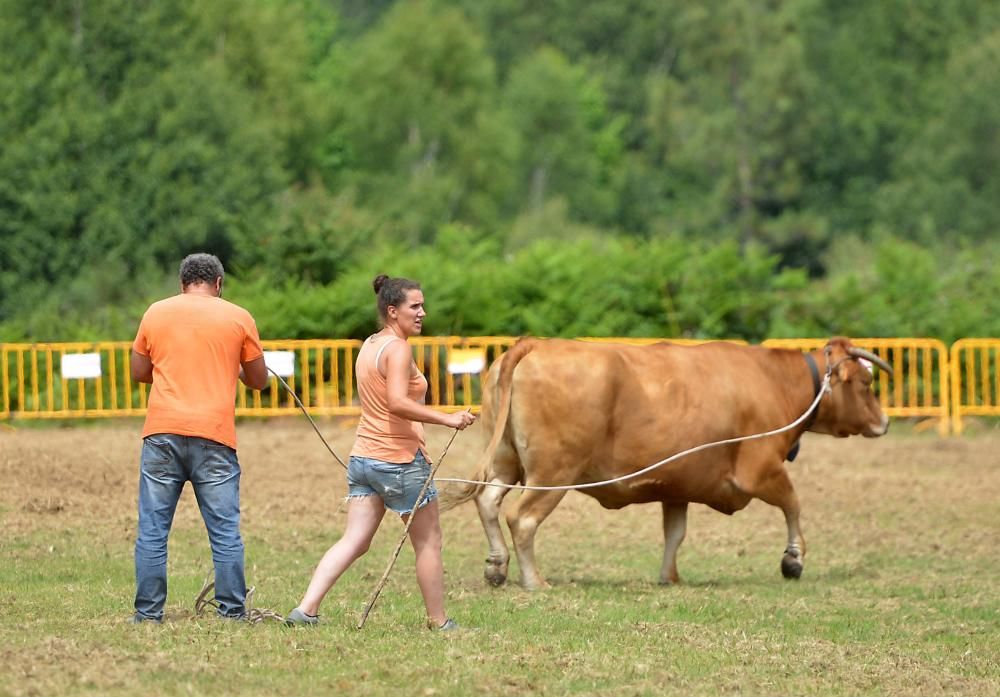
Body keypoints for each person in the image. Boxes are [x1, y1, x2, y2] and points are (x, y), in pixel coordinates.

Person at [285, 274, 476, 630]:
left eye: (422, 305)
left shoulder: (371, 344)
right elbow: (398, 403)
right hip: (399, 461)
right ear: (393, 311)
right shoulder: (399, 348)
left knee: (354, 540)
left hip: (363, 460)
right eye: (414, 306)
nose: (423, 313)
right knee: (429, 541)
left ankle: (305, 610)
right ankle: (440, 623)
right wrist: (447, 419)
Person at [129, 253, 268, 623]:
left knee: (153, 531)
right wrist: (235, 369)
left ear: (182, 283)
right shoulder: (238, 316)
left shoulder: (155, 312)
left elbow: (139, 371)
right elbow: (259, 380)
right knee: (224, 532)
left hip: (162, 433)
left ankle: (147, 614)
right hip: (214, 436)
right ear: (219, 284)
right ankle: (232, 612)